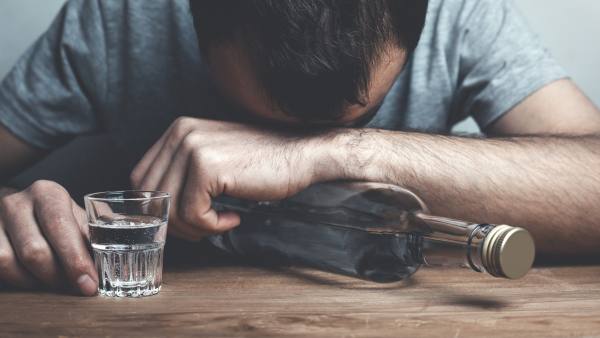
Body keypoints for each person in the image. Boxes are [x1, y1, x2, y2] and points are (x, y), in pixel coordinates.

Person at [1, 0, 599, 296]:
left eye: (360, 112)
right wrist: (18, 216)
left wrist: (348, 152)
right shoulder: (119, 16)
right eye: (249, 119)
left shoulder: (458, 13)